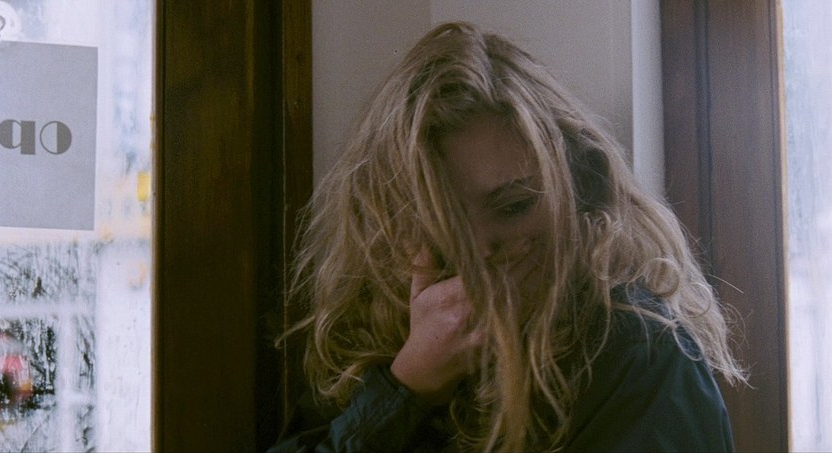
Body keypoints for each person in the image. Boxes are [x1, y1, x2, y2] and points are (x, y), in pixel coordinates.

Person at [272, 22, 746, 452]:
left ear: (578, 190)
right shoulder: (373, 329)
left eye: (513, 207)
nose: (479, 250)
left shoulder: (641, 354)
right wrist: (409, 386)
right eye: (443, 220)